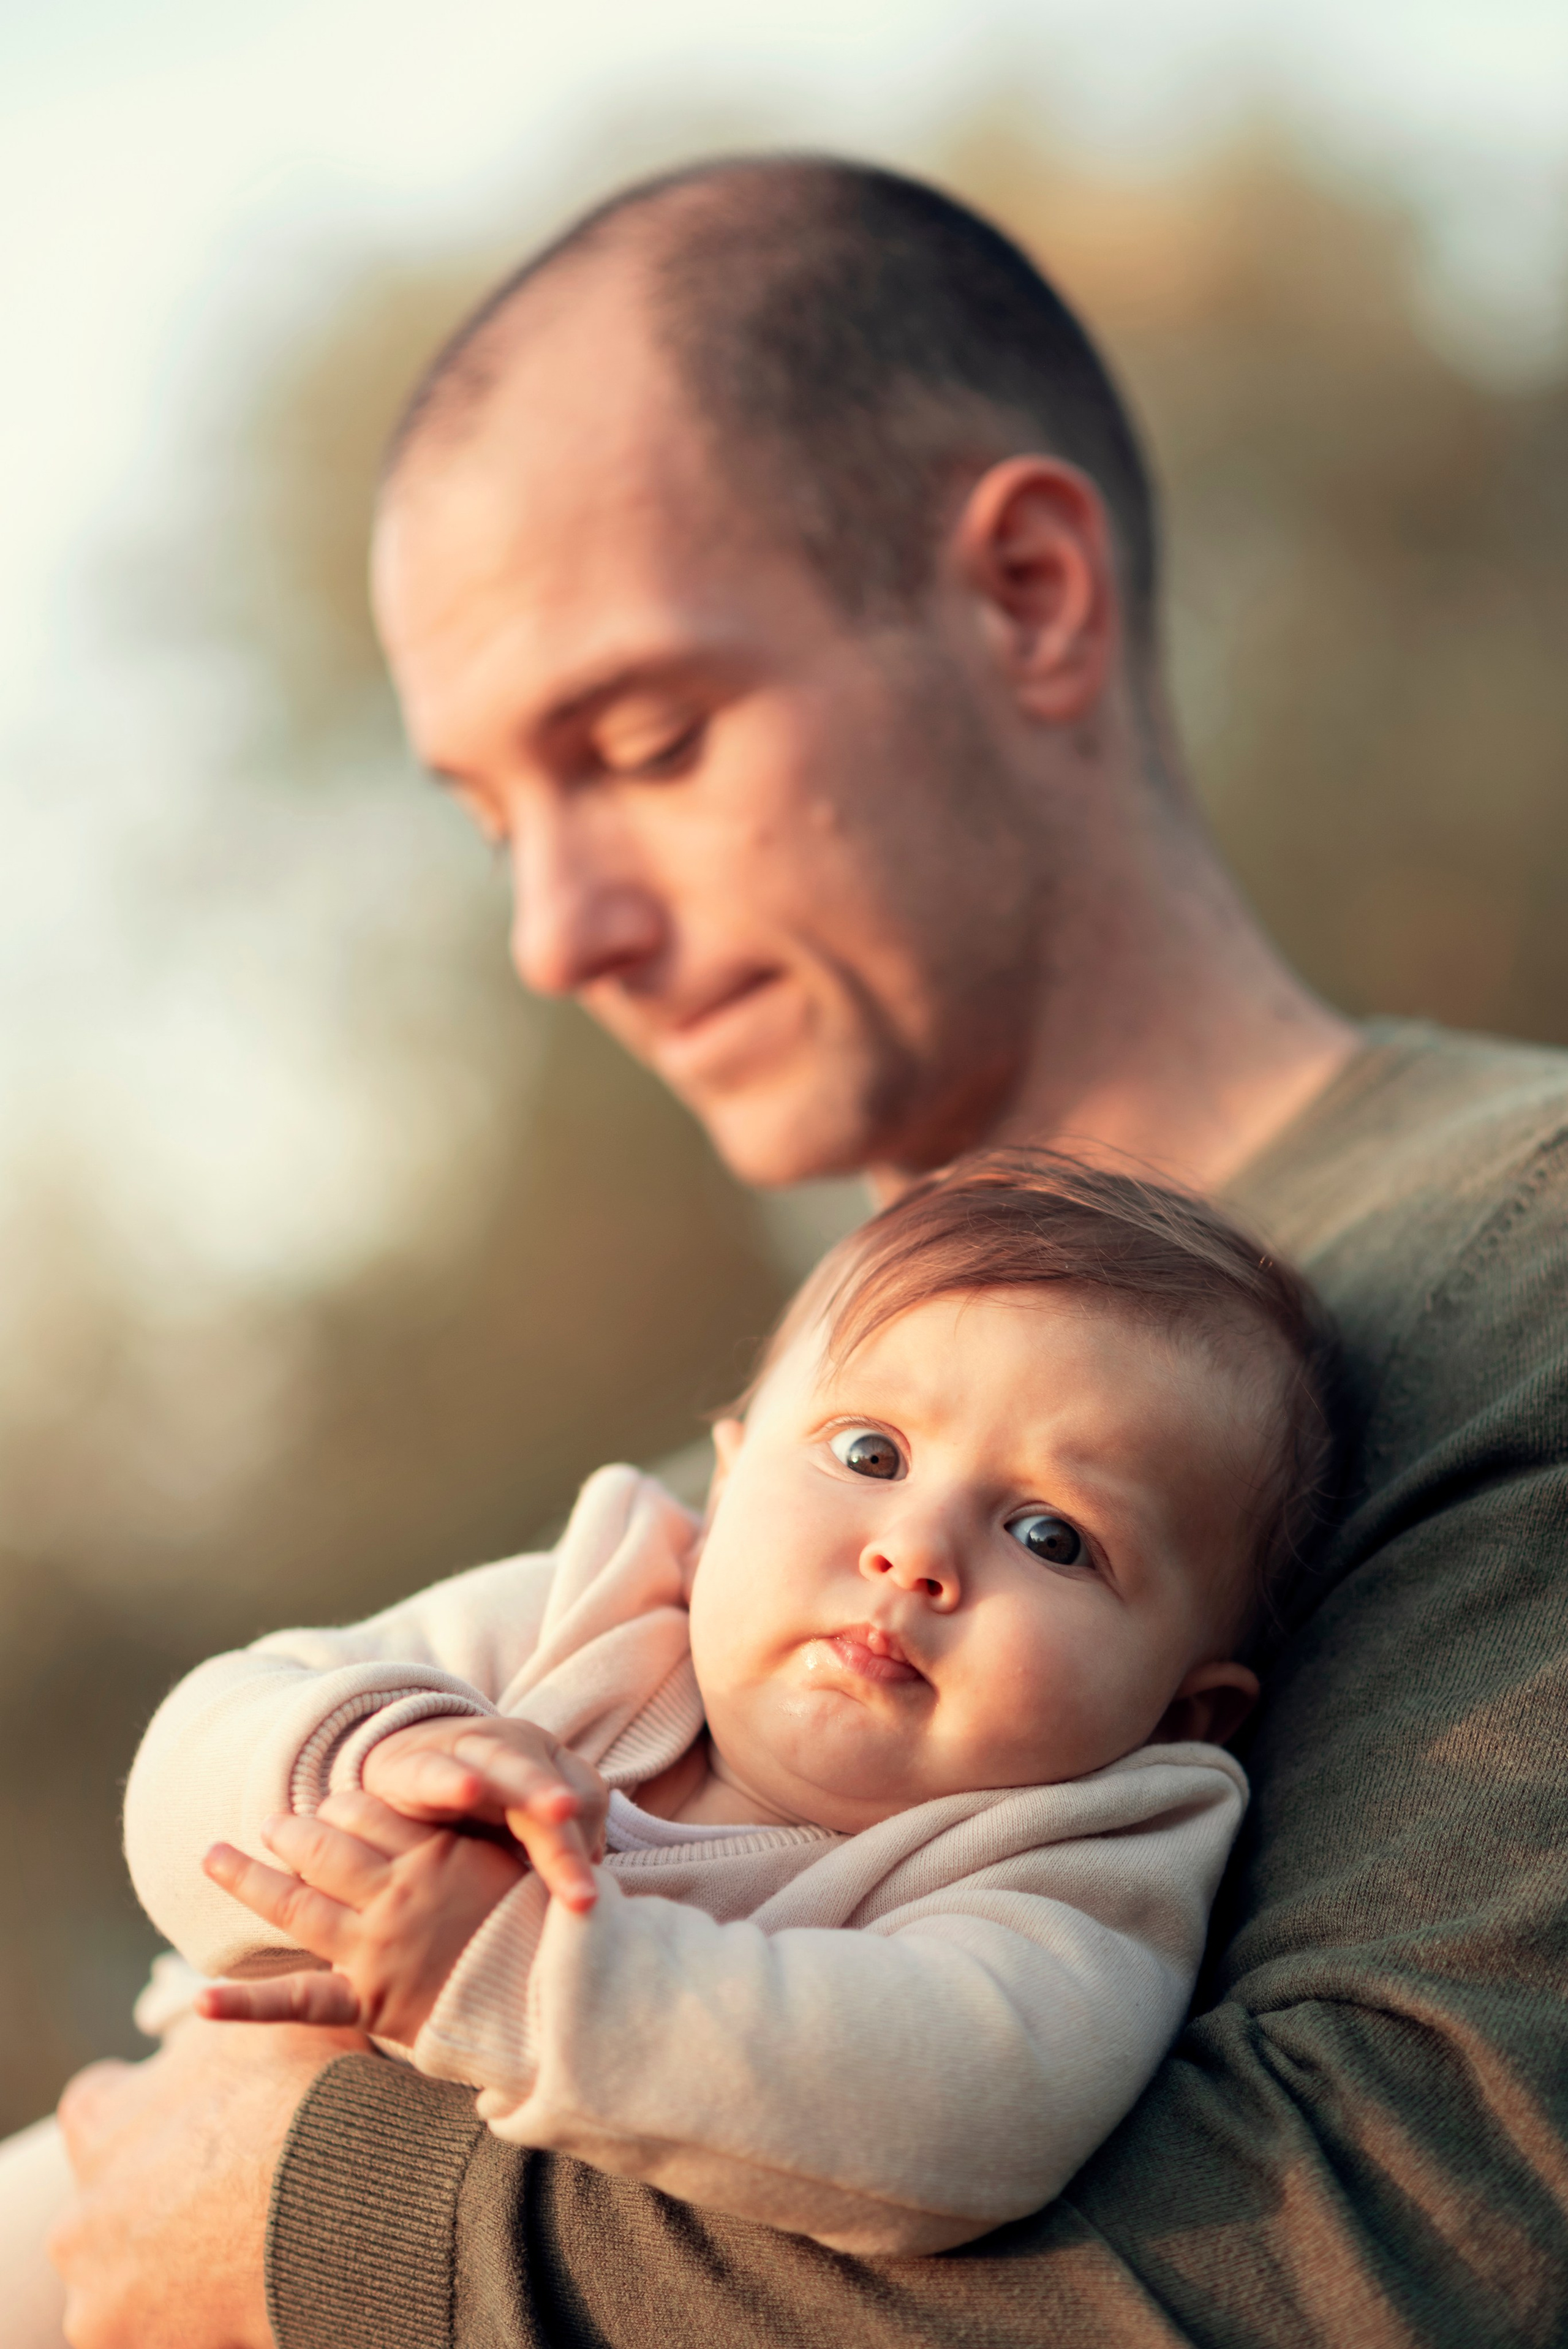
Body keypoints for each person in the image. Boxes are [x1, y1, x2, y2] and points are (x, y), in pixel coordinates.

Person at [47, 154, 1568, 2349]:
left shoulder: (1514, 1257)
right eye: (494, 819)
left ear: (1030, 593)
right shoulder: (735, 1538)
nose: (556, 932)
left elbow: (1405, 2236)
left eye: (643, 744)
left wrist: (312, 2233)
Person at [89, 1156, 1325, 2272]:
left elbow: (956, 2114)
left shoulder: (1077, 1861)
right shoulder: (586, 1607)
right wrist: (380, 1753)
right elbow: (191, 1769)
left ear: (1184, 1714)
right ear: (726, 1483)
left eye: (1050, 1536)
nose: (913, 1550)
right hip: (135, 2155)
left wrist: (517, 1975)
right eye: (868, 1453)